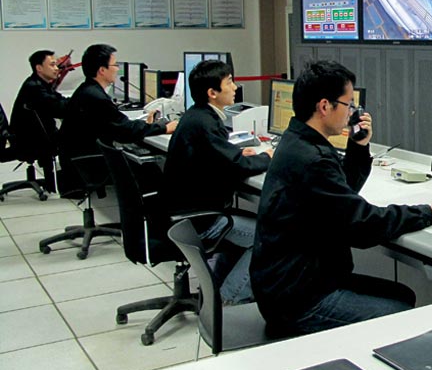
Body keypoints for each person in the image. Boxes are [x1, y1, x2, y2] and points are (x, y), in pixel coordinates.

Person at [251, 60, 432, 336]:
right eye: (349, 104)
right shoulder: (312, 159)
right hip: (299, 301)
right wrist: (427, 213)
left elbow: (340, 196)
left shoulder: (297, 142)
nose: (353, 112)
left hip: (292, 284)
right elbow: (362, 226)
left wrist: (358, 146)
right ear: (325, 106)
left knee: (403, 294)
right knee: (401, 313)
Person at [161, 60, 272, 304]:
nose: (235, 87)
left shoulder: (196, 116)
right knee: (266, 237)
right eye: (230, 82)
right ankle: (229, 300)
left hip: (185, 212)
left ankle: (215, 295)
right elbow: (238, 167)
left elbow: (222, 158)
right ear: (213, 93)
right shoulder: (206, 123)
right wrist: (267, 157)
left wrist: (236, 156)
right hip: (199, 219)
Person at [58, 44, 177, 188]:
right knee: (150, 170)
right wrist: (164, 127)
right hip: (87, 163)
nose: (117, 69)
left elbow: (118, 125)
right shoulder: (96, 97)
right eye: (114, 65)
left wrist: (147, 126)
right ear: (102, 70)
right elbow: (125, 132)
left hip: (77, 158)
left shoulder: (88, 90)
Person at [10, 50, 69, 191]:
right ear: (39, 68)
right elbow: (58, 109)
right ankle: (72, 186)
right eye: (53, 65)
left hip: (38, 135)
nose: (57, 68)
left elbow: (58, 100)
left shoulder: (40, 83)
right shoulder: (34, 87)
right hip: (31, 140)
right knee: (76, 138)